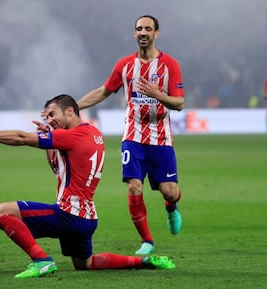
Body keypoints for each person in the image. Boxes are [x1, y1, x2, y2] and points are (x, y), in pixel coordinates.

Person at [0, 94, 175, 279]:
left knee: (1, 212)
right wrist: (50, 141)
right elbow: (57, 168)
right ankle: (143, 261)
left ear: (70, 111)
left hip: (68, 214)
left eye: (53, 114)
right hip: (88, 217)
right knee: (85, 264)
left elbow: (22, 137)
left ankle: (41, 260)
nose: (50, 119)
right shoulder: (93, 134)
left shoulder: (71, 136)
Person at [77, 15, 184, 255]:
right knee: (134, 187)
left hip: (161, 139)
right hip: (132, 136)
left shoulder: (170, 66)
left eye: (148, 28)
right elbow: (103, 91)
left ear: (156, 33)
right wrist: (75, 106)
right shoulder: (125, 65)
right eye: (139, 29)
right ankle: (147, 241)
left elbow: (179, 103)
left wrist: (158, 94)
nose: (143, 32)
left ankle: (171, 206)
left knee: (170, 190)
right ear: (134, 34)